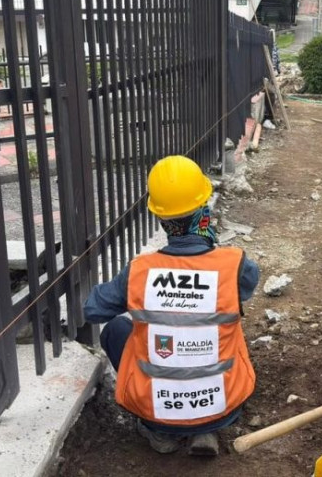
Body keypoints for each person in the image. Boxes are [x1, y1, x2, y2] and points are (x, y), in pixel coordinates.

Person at [84, 155, 260, 457]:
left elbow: (93, 309)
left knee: (116, 329)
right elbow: (247, 286)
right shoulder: (234, 266)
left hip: (157, 408)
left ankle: (160, 432)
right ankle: (205, 429)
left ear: (160, 217)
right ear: (203, 209)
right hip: (221, 406)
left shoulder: (140, 271)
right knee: (228, 328)